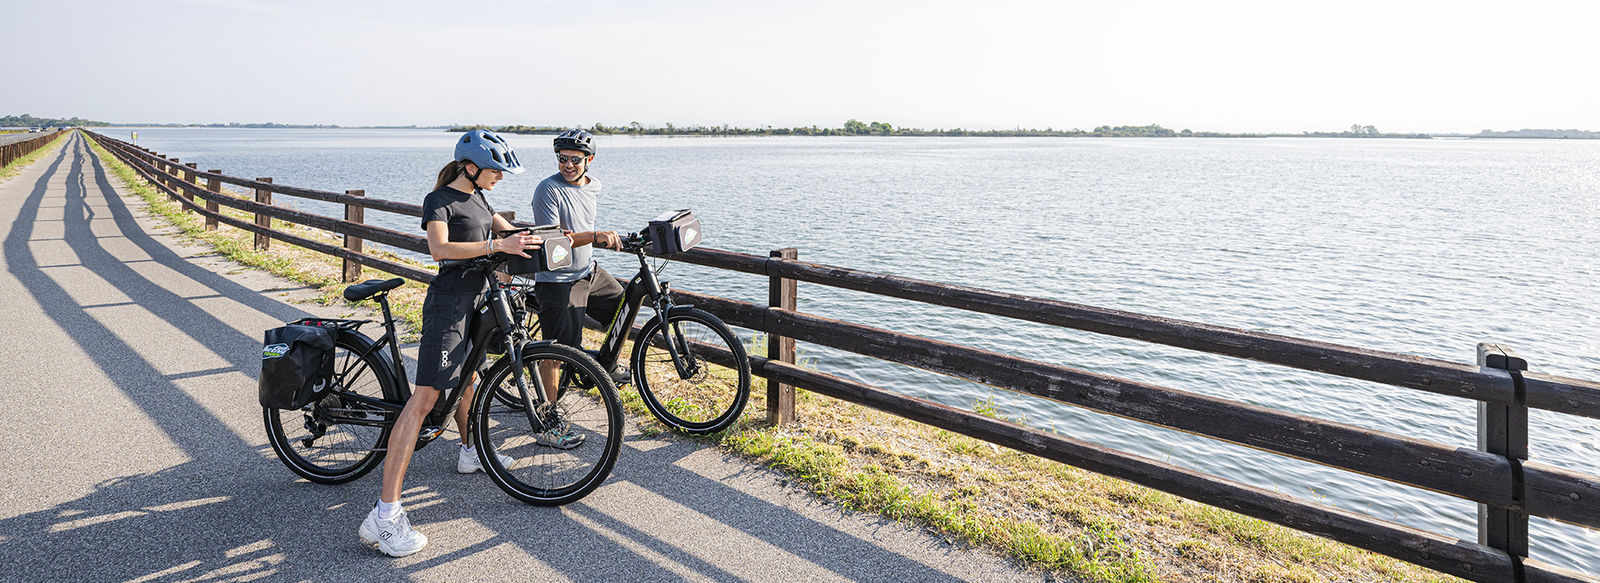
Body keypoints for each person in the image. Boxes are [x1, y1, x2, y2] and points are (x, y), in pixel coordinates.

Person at [359, 129, 539, 558]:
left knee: (471, 378)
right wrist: (497, 244)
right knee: (423, 400)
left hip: (476, 299)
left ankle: (470, 450)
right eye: (495, 170)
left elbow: (513, 233)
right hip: (448, 305)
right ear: (471, 167)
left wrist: (556, 237)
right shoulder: (438, 200)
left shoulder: (481, 199)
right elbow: (439, 249)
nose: (500, 177)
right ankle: (385, 515)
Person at [530, 129, 628, 415]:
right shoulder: (548, 189)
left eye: (575, 159)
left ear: (589, 160)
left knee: (623, 307)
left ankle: (602, 363)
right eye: (562, 159)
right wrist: (595, 235)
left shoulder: (594, 186)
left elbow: (580, 227)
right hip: (558, 280)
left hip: (588, 271)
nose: (568, 165)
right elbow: (554, 241)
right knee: (557, 353)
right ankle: (549, 414)